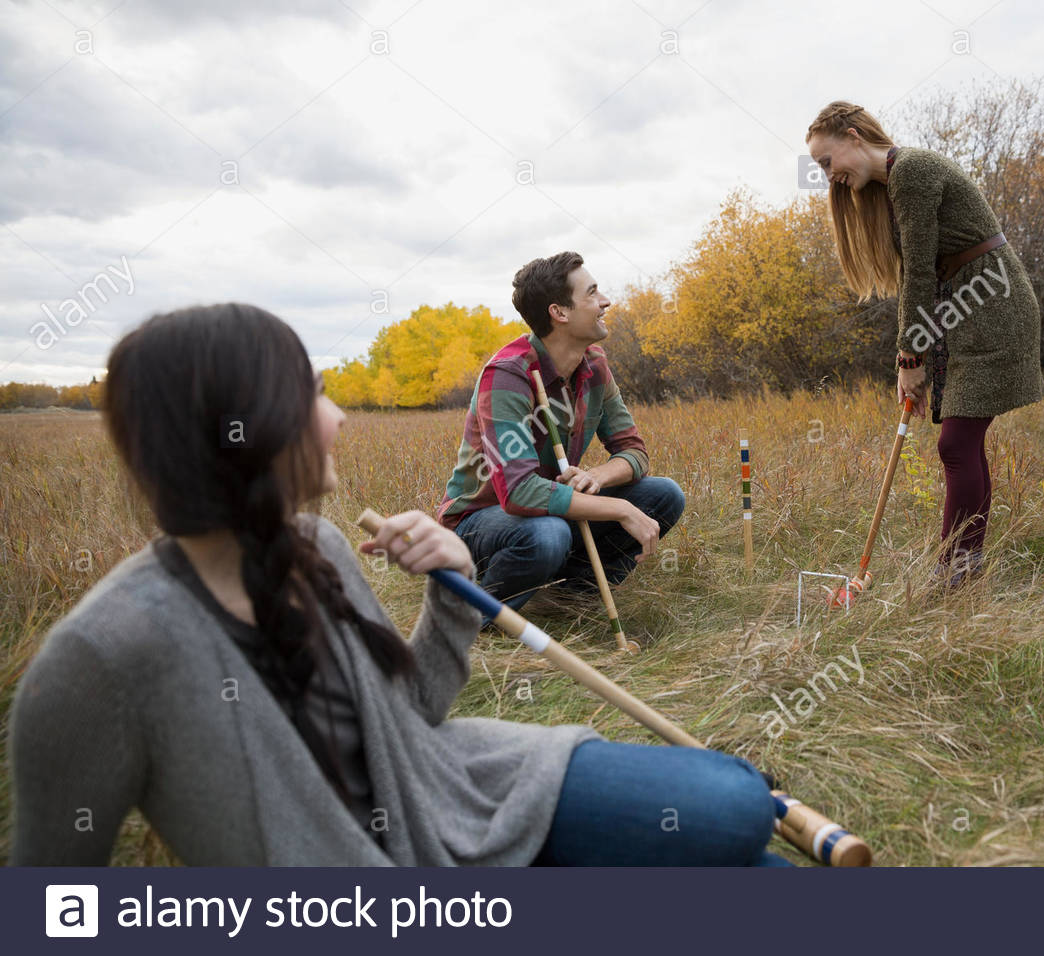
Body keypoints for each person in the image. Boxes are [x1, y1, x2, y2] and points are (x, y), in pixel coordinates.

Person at [6, 303, 788, 866]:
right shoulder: (100, 656)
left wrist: (453, 587)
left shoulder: (316, 544)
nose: (338, 416)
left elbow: (409, 714)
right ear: (240, 427)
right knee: (738, 818)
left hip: (449, 788)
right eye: (310, 393)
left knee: (738, 818)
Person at [806, 101, 1044, 588]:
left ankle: (953, 571)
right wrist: (912, 357)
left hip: (994, 307)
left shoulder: (912, 171)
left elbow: (919, 271)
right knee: (965, 444)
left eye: (826, 161)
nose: (827, 174)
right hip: (968, 309)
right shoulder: (892, 183)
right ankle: (965, 566)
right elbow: (918, 276)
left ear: (853, 137)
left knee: (956, 443)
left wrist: (911, 355)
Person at [436, 251, 685, 619]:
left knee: (663, 495)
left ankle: (571, 601)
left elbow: (633, 452)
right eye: (592, 293)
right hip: (479, 520)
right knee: (548, 535)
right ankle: (472, 615)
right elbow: (519, 493)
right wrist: (618, 508)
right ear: (560, 312)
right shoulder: (507, 375)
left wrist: (596, 476)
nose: (606, 302)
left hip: (549, 510)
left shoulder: (595, 365)